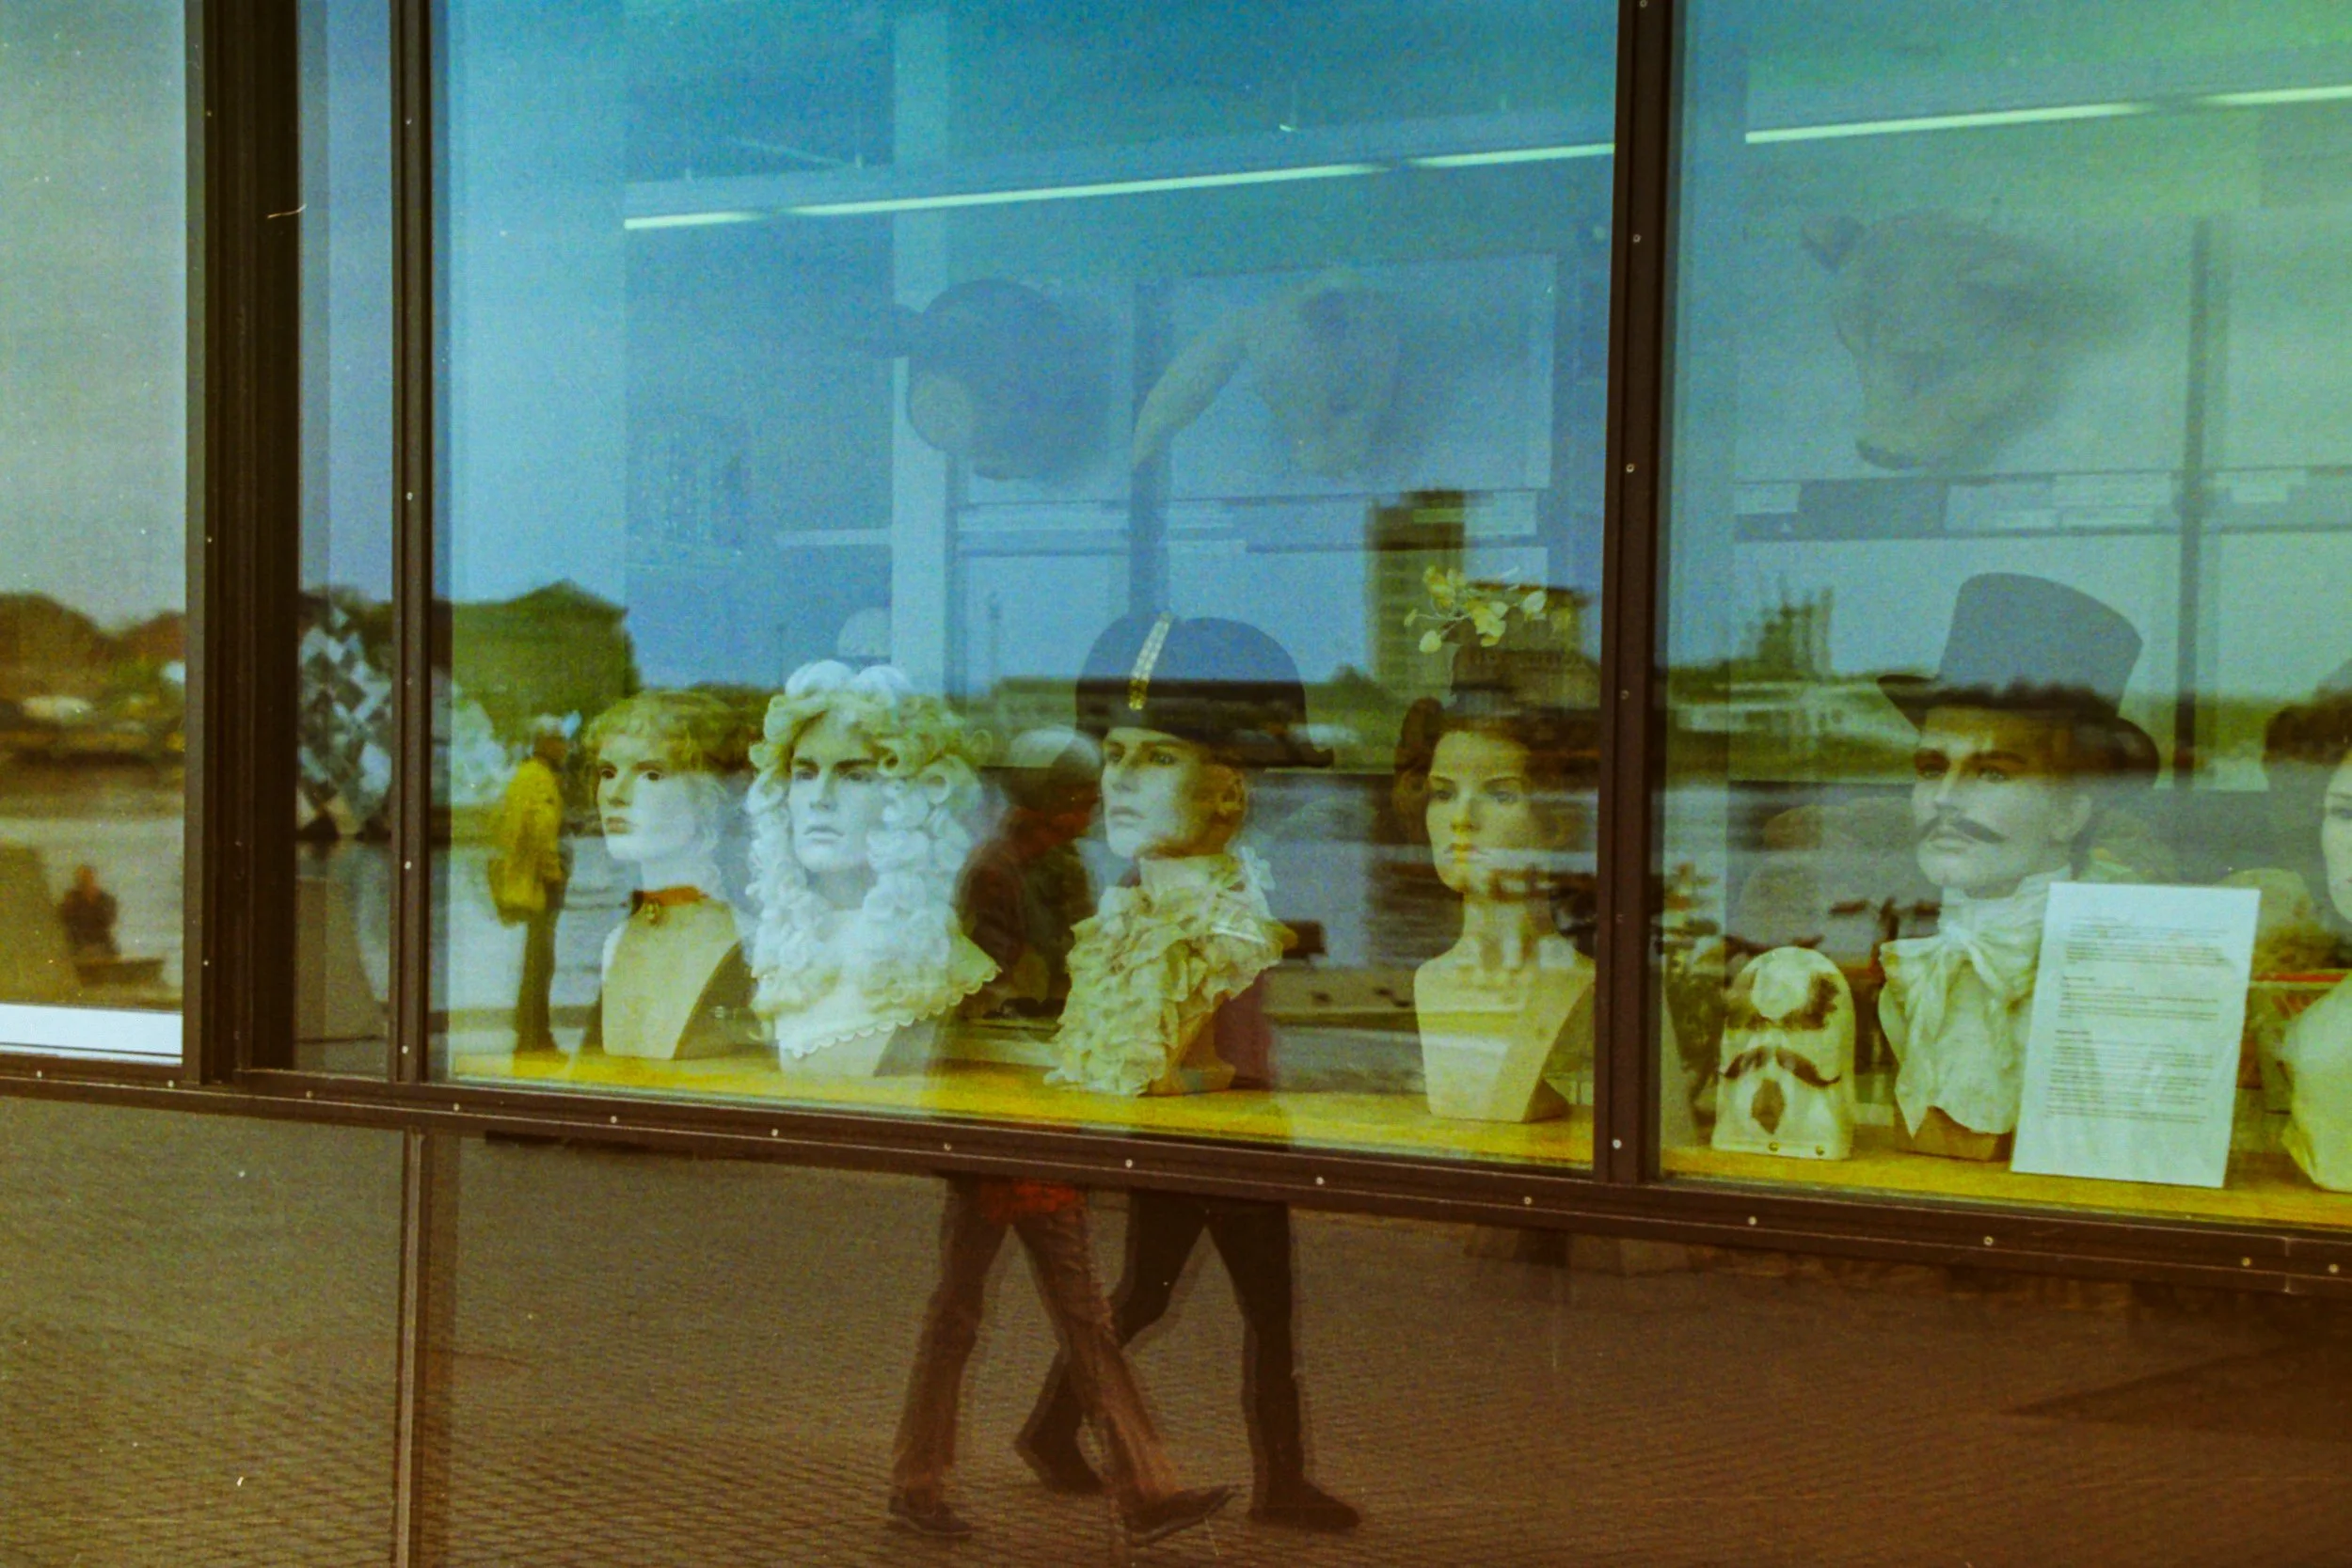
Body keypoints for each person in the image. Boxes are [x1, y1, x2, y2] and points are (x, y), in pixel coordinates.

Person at [1022, 612, 1359, 1532]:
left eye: (1156, 756)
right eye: (1115, 753)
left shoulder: (1213, 899)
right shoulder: (1152, 910)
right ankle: (1276, 1477)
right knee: (1227, 1303)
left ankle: (1056, 1426)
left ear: (1226, 792)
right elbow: (1171, 1057)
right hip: (1222, 1123)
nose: (1121, 778)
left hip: (1228, 1118)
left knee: (1159, 1294)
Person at [1875, 574, 2159, 1160]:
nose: (1946, 799)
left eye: (1994, 772)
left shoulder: (2110, 982)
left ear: (2070, 813)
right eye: (1931, 768)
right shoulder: (1916, 975)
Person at [745, 661, 994, 1070]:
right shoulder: (783, 949)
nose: (820, 798)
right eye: (805, 774)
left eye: (855, 776)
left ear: (911, 798)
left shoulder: (939, 960)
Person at [574, 690, 760, 1060]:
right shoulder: (617, 940)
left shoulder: (748, 943)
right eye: (608, 772)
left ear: (707, 795)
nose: (617, 794)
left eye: (652, 774)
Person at [488, 718, 571, 1054]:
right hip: (540, 884)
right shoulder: (541, 779)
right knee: (541, 959)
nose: (566, 748)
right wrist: (554, 874)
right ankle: (536, 1032)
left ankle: (529, 1027)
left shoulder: (521, 777)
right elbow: (541, 829)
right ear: (546, 743)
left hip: (524, 879)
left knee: (534, 957)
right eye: (561, 741)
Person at [57, 864, 119, 959]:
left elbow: (109, 920)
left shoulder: (104, 899)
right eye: (82, 879)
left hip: (102, 946)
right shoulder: (71, 899)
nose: (85, 881)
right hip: (78, 947)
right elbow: (63, 919)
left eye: (88, 878)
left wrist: (94, 900)